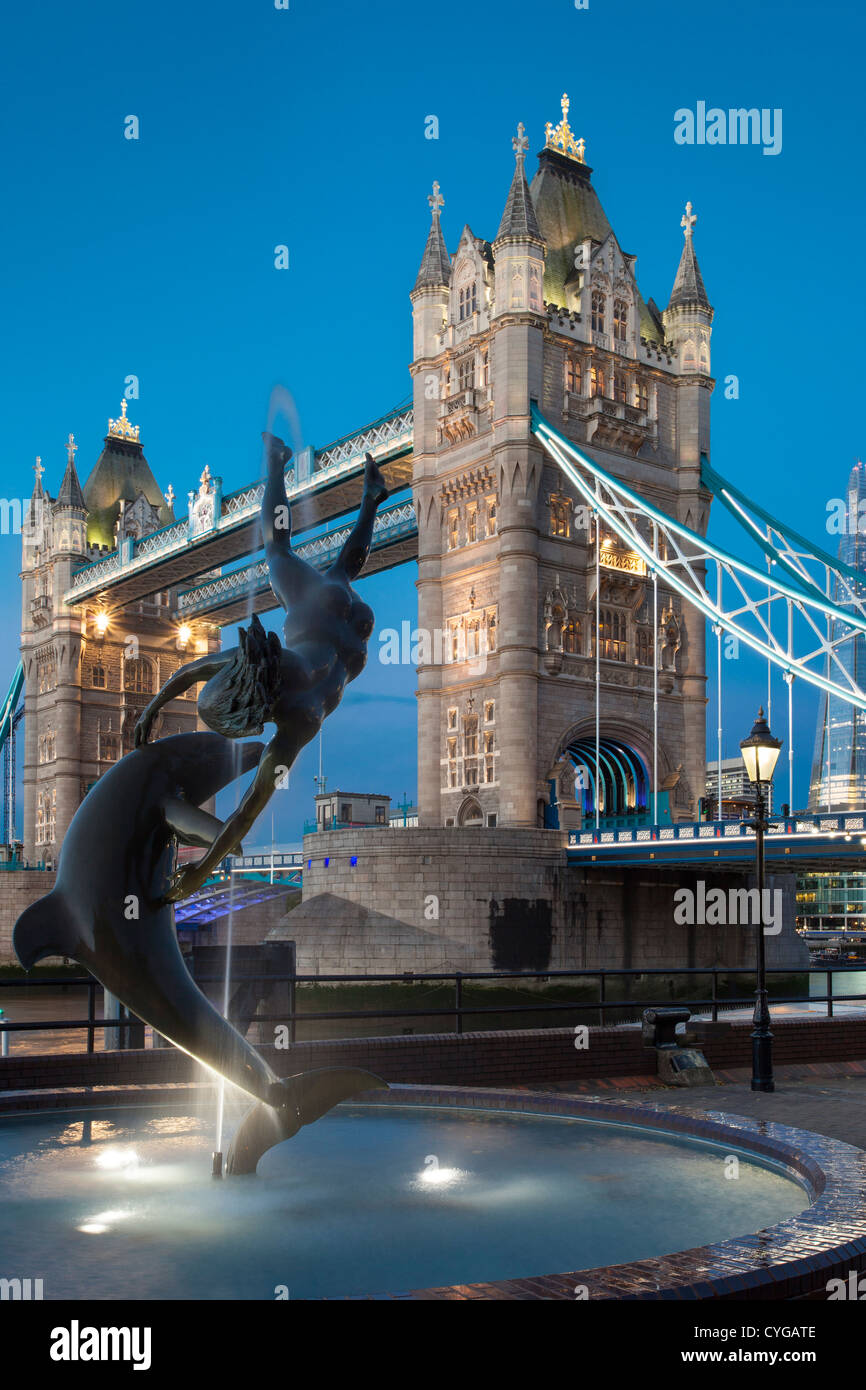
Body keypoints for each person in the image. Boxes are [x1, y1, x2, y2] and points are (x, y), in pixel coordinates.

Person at [134, 431, 389, 901]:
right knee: (282, 550)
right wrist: (153, 707)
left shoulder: (298, 724)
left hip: (356, 639)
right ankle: (279, 466)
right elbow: (195, 669)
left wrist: (202, 871)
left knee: (337, 570)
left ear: (252, 718)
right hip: (319, 611)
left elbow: (246, 813)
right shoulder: (261, 664)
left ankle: (369, 498)